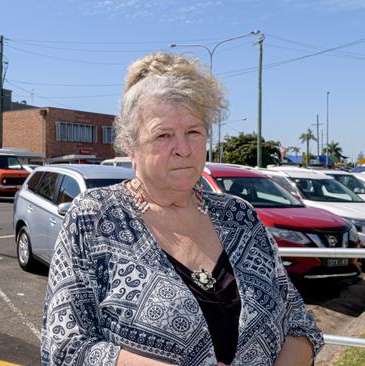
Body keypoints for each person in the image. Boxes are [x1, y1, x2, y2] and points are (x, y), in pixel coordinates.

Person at [40, 52, 323, 366]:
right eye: (163, 135)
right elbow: (66, 346)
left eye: (194, 132)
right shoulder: (93, 217)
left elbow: (298, 321)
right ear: (130, 146)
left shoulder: (239, 216)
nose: (184, 149)